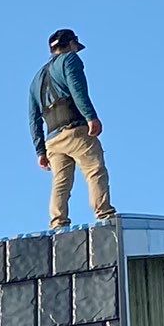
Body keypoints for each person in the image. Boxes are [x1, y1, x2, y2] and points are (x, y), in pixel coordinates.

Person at [29, 27, 116, 229]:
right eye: (75, 45)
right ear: (70, 44)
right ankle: (104, 214)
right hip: (75, 130)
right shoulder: (70, 60)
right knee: (95, 169)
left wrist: (40, 150)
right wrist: (91, 117)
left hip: (52, 140)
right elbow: (78, 90)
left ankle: (57, 222)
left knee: (61, 182)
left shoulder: (36, 79)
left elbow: (33, 117)